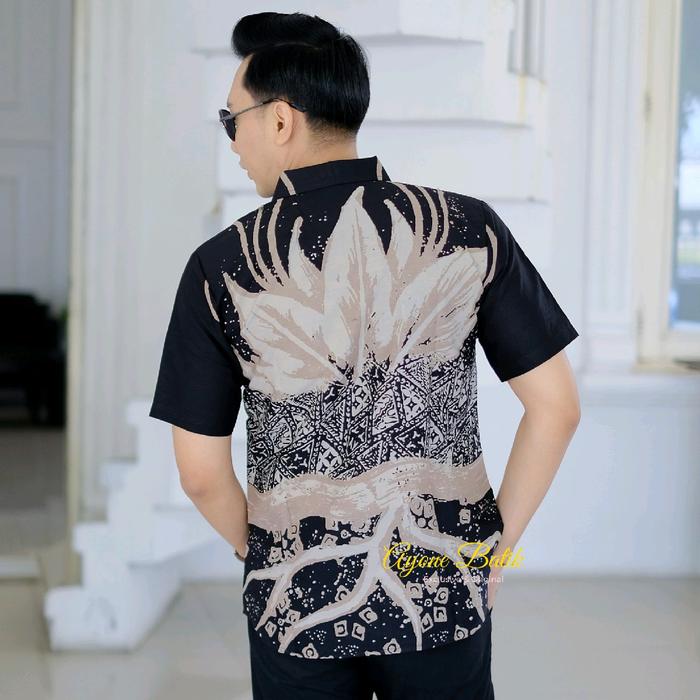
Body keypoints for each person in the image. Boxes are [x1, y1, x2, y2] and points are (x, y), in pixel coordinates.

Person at [148, 11, 581, 700]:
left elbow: (200, 473)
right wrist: (494, 550)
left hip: (296, 600)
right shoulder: (469, 230)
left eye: (233, 120)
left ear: (280, 120)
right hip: (442, 580)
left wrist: (266, 554)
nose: (232, 141)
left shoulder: (222, 266)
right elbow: (556, 408)